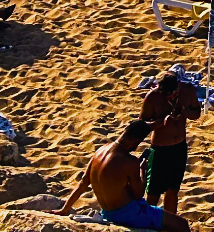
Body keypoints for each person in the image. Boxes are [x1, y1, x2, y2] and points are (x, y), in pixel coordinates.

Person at [61, 119, 190, 232]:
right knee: (182, 224)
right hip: (130, 215)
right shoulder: (130, 161)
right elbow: (139, 194)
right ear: (135, 142)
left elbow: (83, 183)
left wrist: (64, 209)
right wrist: (142, 171)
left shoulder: (100, 151)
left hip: (107, 212)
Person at [139, 66, 203, 220]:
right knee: (153, 192)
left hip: (179, 147)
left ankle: (169, 222)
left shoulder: (188, 90)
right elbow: (141, 125)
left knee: (173, 190)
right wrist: (161, 122)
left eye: (174, 94)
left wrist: (186, 113)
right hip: (159, 149)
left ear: (178, 86)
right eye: (167, 95)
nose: (171, 98)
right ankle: (149, 223)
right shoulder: (152, 97)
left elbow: (197, 113)